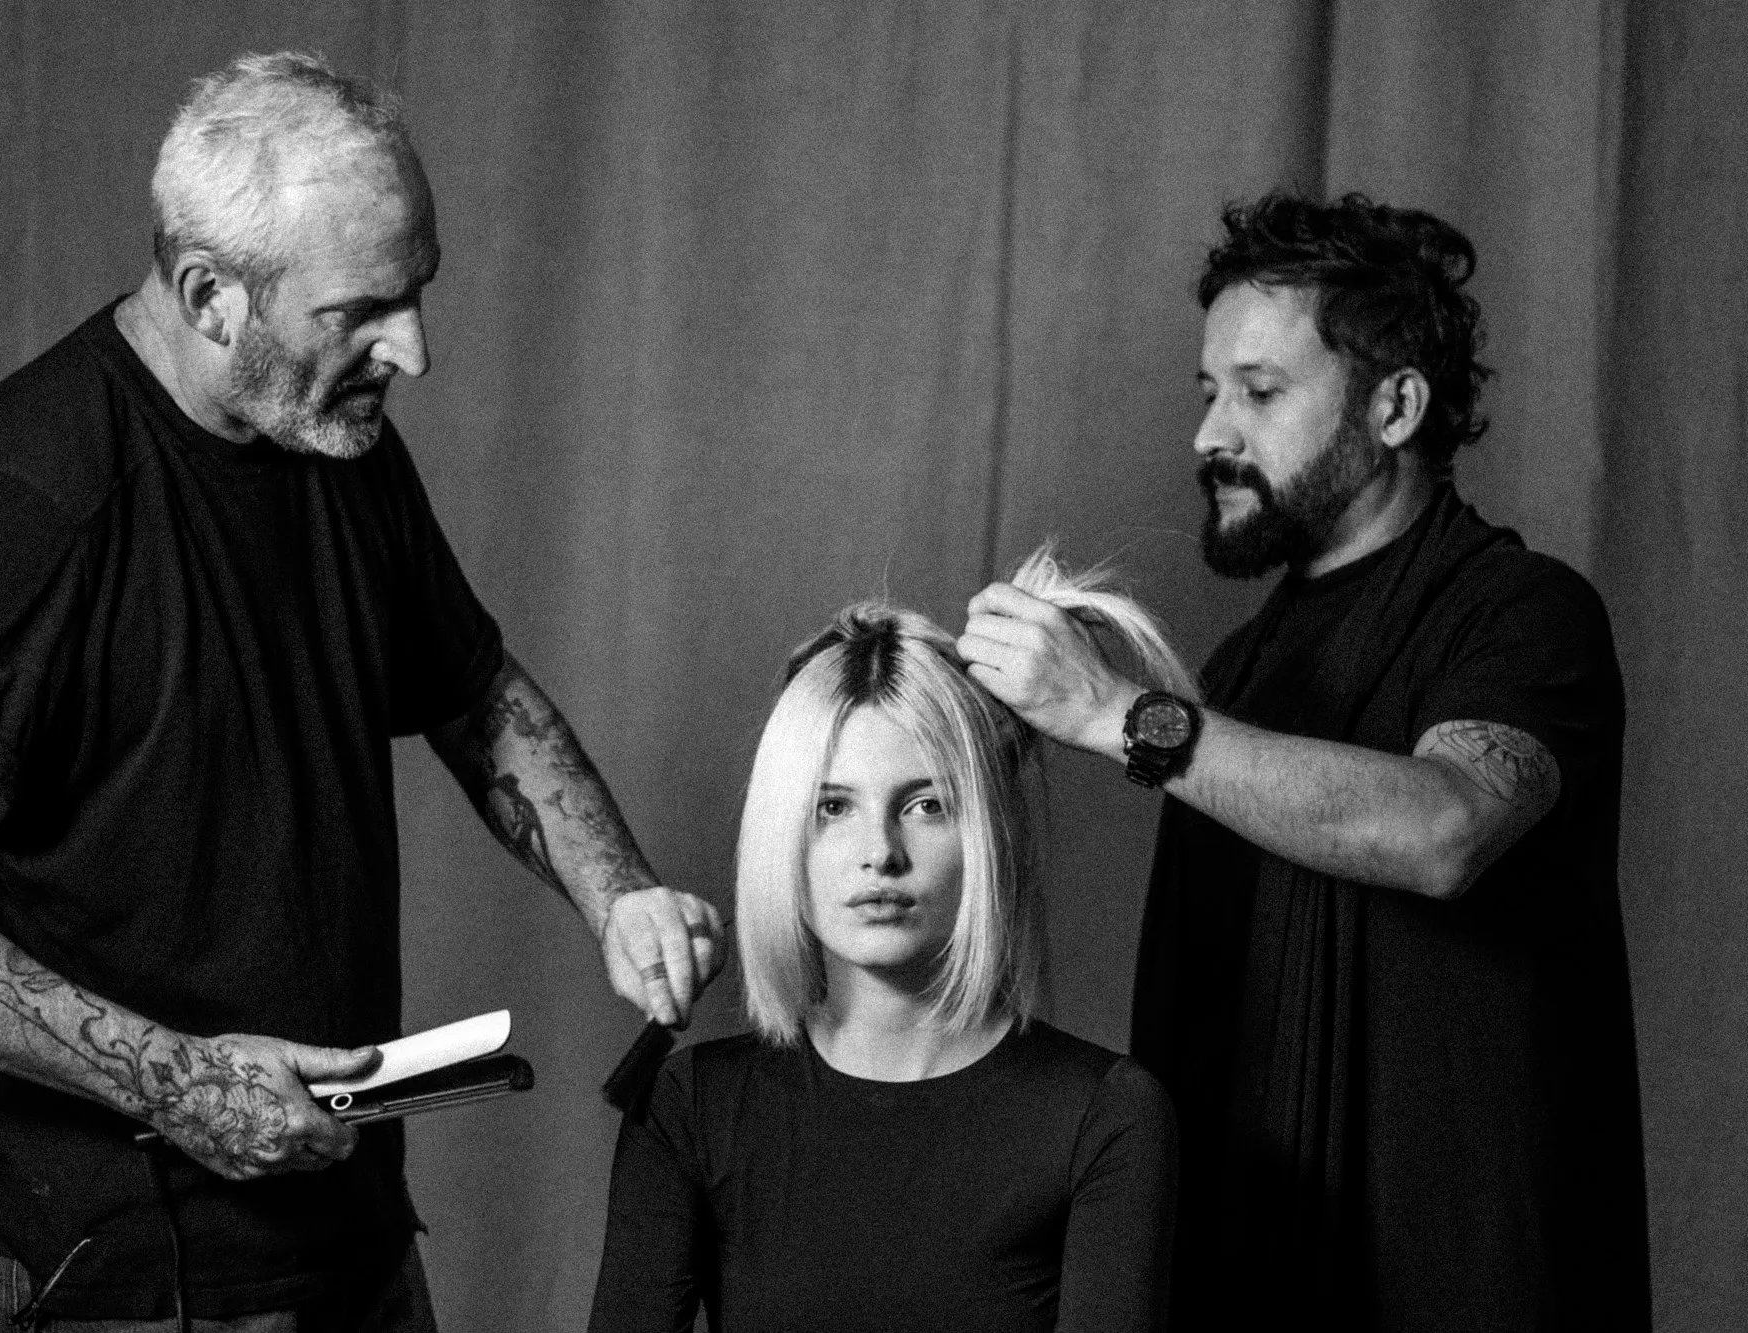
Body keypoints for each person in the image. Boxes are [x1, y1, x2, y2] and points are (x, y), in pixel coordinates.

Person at [0, 52, 723, 1331]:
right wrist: (177, 1081)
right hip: (131, 1280)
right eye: (361, 311)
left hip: (348, 1229)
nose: (413, 349)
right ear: (211, 296)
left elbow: (473, 689)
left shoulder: (330, 435)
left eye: (418, 293)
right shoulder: (34, 496)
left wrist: (618, 892)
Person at [958, 191, 1650, 1328]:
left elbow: (1444, 827)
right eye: (1208, 391)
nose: (1209, 435)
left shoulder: (1523, 613)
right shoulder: (1238, 670)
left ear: (1395, 406)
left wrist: (1117, 713)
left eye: (1259, 391)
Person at [589, 550, 1186, 1333]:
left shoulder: (1106, 1116)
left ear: (987, 833)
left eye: (927, 804)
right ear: (782, 831)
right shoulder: (691, 1107)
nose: (879, 851)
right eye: (833, 807)